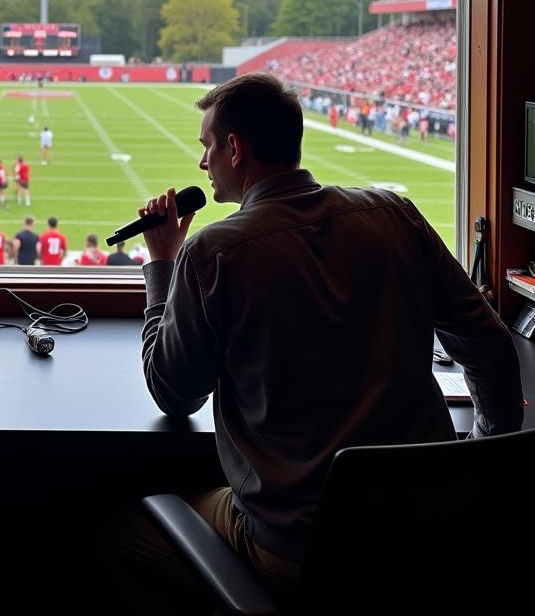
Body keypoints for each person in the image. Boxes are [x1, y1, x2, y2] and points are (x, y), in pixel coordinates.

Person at [125, 72, 523, 604]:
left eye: (207, 146)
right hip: (426, 531)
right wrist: (476, 463)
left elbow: (174, 394)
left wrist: (162, 264)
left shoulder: (214, 253)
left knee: (125, 537)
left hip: (297, 551)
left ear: (235, 148)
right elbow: (490, 346)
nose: (202, 163)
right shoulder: (395, 214)